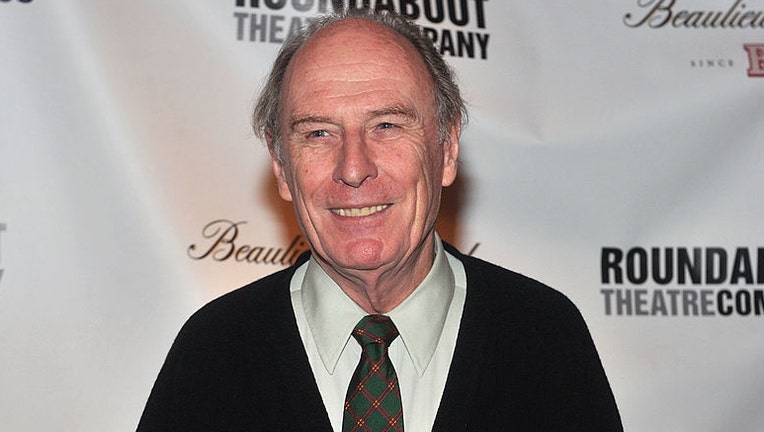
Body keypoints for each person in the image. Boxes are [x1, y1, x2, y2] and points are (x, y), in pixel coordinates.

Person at [137, 8, 623, 432]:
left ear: (447, 148)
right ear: (282, 166)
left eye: (386, 126)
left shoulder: (544, 339)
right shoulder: (212, 354)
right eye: (319, 133)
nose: (353, 168)